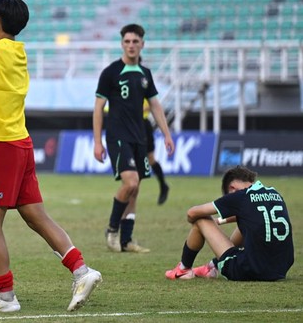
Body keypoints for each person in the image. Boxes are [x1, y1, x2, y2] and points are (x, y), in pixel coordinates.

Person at [0, 0, 102, 313]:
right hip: (20, 143)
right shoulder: (13, 50)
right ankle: (82, 270)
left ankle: (6, 297)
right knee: (37, 216)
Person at [93, 23, 175, 253]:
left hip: (139, 137)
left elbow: (156, 106)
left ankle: (126, 240)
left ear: (142, 44)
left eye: (135, 41)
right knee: (130, 182)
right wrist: (97, 141)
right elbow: (98, 108)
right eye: (127, 41)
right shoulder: (111, 72)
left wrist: (167, 135)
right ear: (122, 44)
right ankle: (112, 229)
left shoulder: (145, 74)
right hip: (118, 136)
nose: (131, 45)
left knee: (135, 189)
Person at [165, 166, 294, 281]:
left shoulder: (240, 196)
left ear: (232, 188)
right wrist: (220, 221)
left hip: (250, 270)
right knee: (247, 223)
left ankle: (184, 269)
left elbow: (192, 213)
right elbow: (250, 214)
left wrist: (196, 223)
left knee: (201, 219)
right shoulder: (274, 193)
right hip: (280, 269)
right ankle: (212, 267)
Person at [143, 99, 169, 205]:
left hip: (143, 124)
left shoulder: (143, 84)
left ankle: (163, 185)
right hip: (128, 125)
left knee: (150, 159)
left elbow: (152, 104)